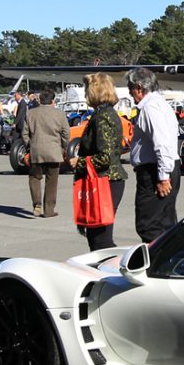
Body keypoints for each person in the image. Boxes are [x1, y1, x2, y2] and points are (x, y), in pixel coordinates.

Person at [71, 73, 127, 248]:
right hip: (105, 180)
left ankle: (109, 271)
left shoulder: (103, 117)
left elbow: (106, 157)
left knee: (100, 239)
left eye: (87, 89)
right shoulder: (105, 113)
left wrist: (78, 162)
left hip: (105, 181)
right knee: (96, 236)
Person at [127, 67, 181, 242]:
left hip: (155, 171)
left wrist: (163, 177)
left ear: (139, 88)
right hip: (163, 166)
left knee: (149, 225)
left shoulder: (150, 107)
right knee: (165, 223)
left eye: (130, 88)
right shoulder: (159, 103)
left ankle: (154, 264)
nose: (129, 93)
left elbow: (162, 142)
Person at [22, 89, 70, 218]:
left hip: (36, 151)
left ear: (40, 100)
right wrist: (63, 147)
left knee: (34, 177)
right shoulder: (60, 114)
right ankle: (49, 210)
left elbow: (25, 133)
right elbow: (66, 133)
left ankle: (36, 203)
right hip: (54, 151)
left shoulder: (30, 113)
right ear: (53, 101)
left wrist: (29, 146)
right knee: (52, 180)